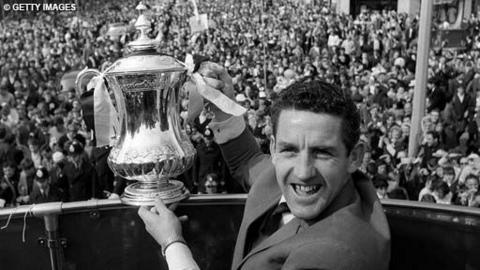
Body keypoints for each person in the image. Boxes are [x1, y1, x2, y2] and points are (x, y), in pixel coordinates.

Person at [138, 63, 390, 270]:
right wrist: (222, 105)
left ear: (355, 157)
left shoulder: (335, 256)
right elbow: (249, 161)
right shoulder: (287, 181)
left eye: (322, 153)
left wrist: (173, 244)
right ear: (273, 149)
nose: (302, 172)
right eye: (289, 149)